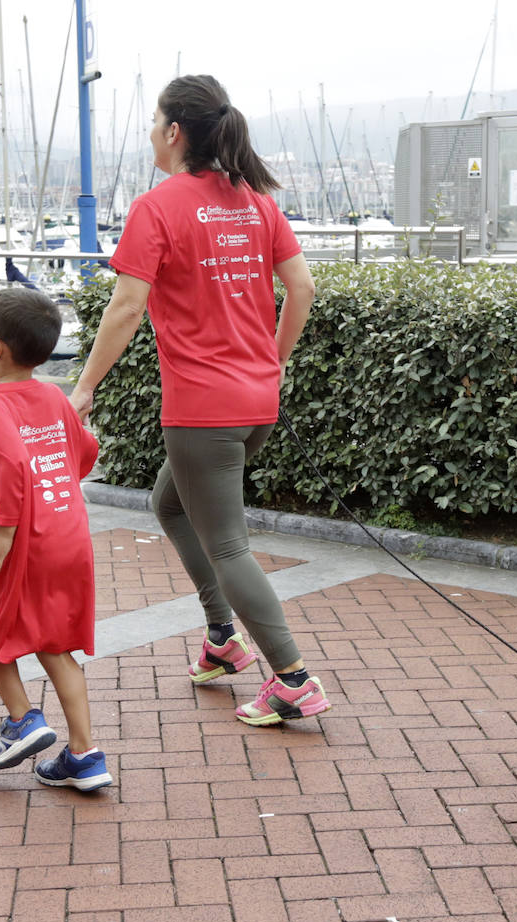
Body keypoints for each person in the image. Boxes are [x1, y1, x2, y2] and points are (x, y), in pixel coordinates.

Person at [71, 74, 328, 727]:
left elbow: (127, 307)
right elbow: (302, 289)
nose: (150, 133)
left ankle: (292, 679)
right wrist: (272, 362)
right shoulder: (255, 201)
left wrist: (84, 386)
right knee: (169, 504)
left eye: (155, 121)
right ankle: (221, 639)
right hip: (255, 405)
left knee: (229, 546)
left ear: (175, 131)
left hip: (203, 410)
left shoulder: (159, 206)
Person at [0, 287, 112, 790]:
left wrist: (2, 529)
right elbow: (84, 453)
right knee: (53, 643)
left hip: (22, 538)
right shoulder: (51, 395)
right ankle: (85, 756)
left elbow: (12, 462)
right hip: (69, 533)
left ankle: (23, 720)